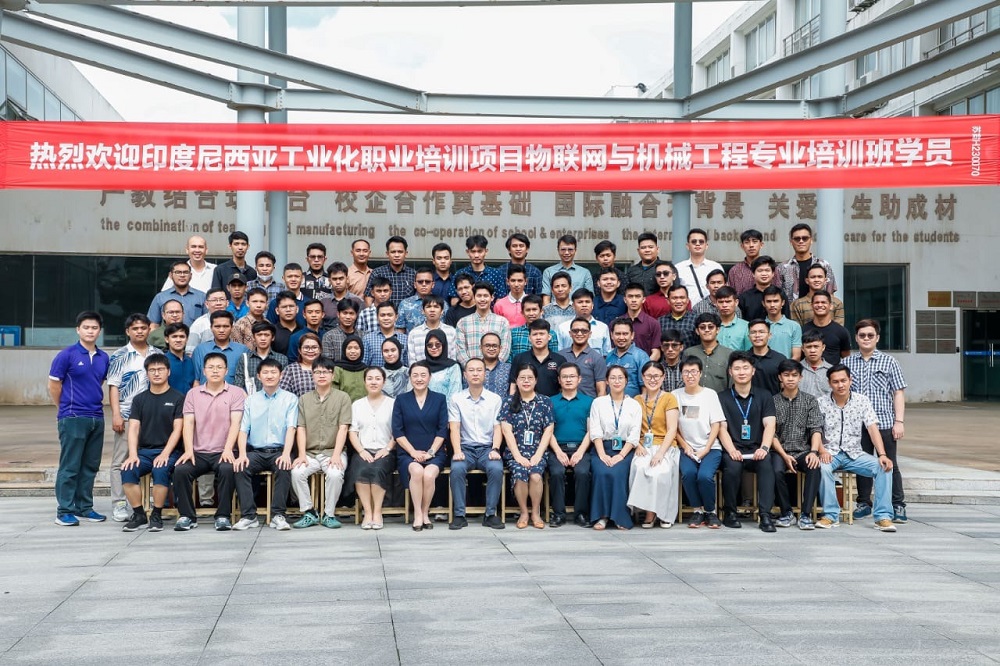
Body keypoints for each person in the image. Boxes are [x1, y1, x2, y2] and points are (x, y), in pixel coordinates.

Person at [816, 365, 897, 532]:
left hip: (854, 454)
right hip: (830, 453)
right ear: (829, 383)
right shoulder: (821, 403)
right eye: (835, 382)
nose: (840, 385)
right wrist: (822, 450)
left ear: (850, 380)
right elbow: (815, 430)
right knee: (822, 468)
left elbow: (872, 428)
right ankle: (830, 515)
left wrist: (882, 454)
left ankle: (883, 517)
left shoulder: (862, 401)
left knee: (883, 467)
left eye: (843, 380)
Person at [49, 311, 111, 526]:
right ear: (78, 330)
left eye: (94, 328)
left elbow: (97, 383)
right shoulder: (66, 355)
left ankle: (84, 507)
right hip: (73, 417)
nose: (90, 331)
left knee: (90, 466)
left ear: (99, 331)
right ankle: (64, 510)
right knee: (70, 466)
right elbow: (54, 385)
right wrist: (64, 408)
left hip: (97, 417)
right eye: (86, 327)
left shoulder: (104, 358)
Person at [844, 319, 908, 524]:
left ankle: (897, 504)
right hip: (858, 425)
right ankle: (864, 503)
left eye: (870, 335)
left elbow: (898, 392)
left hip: (884, 422)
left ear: (877, 338)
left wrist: (899, 421)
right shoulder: (847, 363)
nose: (866, 339)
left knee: (890, 463)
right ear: (856, 338)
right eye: (862, 335)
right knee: (862, 464)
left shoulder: (890, 362)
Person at [172, 352, 244, 531]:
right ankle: (187, 516)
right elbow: (188, 423)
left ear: (226, 370)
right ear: (204, 371)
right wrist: (188, 450)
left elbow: (236, 423)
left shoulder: (236, 393)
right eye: (211, 367)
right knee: (181, 470)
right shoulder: (193, 394)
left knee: (228, 469)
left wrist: (228, 449)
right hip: (199, 452)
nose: (215, 371)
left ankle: (223, 516)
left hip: (223, 451)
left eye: (219, 367)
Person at [119, 354, 184, 532]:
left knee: (160, 469)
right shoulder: (139, 399)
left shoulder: (178, 398)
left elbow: (178, 429)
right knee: (128, 469)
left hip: (169, 452)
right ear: (147, 373)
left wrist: (165, 454)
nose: (156, 373)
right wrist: (133, 455)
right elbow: (133, 428)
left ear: (168, 372)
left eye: (160, 369)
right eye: (152, 370)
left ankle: (156, 514)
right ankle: (139, 514)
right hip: (144, 452)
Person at [232, 357, 298, 531]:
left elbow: (291, 428)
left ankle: (278, 515)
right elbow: (243, 430)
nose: (269, 376)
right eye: (265, 372)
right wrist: (242, 454)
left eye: (273, 372)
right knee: (240, 467)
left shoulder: (290, 399)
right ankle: (249, 516)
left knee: (284, 466)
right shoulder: (251, 400)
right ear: (259, 376)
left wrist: (286, 454)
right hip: (256, 452)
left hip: (279, 451)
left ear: (281, 375)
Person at [107, 313, 161, 522]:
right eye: (135, 328)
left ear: (149, 330)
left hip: (152, 417)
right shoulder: (120, 355)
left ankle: (144, 501)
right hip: (128, 415)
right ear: (127, 331)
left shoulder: (157, 353)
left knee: (147, 458)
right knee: (121, 460)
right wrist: (116, 414)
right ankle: (119, 503)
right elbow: (114, 386)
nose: (139, 331)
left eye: (143, 328)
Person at [717, 351, 778, 532]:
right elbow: (721, 427)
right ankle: (730, 513)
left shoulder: (764, 395)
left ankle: (765, 515)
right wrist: (731, 450)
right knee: (732, 467)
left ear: (753, 371)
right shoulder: (722, 397)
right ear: (730, 372)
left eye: (745, 368)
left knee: (767, 464)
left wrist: (764, 448)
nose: (741, 372)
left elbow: (770, 424)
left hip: (757, 449)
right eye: (737, 368)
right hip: (733, 449)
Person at [289, 357, 352, 529]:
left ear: (333, 375)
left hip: (333, 451)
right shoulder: (304, 399)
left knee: (335, 474)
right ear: (312, 375)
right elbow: (301, 428)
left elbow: (343, 428)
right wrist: (301, 454)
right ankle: (309, 511)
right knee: (296, 472)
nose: (321, 375)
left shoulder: (343, 398)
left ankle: (328, 514)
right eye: (317, 372)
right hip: (310, 452)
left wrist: (337, 455)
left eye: (325, 372)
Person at [447, 358, 505, 530]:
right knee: (457, 469)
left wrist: (495, 449)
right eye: (471, 370)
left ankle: (490, 514)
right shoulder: (456, 399)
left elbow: (498, 427)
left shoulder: (495, 399)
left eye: (479, 370)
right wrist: (457, 451)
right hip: (465, 448)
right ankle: (459, 515)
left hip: (487, 448)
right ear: (465, 375)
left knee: (496, 468)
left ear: (485, 374)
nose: (475, 374)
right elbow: (454, 427)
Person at [392, 362, 450, 531]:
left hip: (434, 451)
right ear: (410, 378)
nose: (419, 379)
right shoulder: (401, 400)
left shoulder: (440, 399)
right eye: (415, 375)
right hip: (408, 452)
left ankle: (425, 512)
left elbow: (442, 429)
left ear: (430, 377)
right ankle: (417, 513)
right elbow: (397, 430)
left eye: (423, 375)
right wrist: (412, 452)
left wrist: (431, 452)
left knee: (429, 474)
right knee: (417, 471)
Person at [770, 359, 826, 531]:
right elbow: (771, 433)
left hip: (803, 450)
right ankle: (786, 512)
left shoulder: (810, 400)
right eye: (786, 375)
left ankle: (806, 514)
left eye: (794, 375)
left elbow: (816, 428)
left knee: (814, 466)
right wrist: (784, 455)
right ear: (780, 377)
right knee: (776, 470)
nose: (790, 379)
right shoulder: (772, 401)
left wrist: (814, 452)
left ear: (801, 377)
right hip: (779, 451)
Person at [672, 356, 725, 529]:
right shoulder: (675, 395)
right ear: (681, 374)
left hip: (710, 447)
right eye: (686, 372)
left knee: (704, 476)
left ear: (700, 373)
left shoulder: (710, 394)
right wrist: (685, 446)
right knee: (688, 474)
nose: (690, 375)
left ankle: (710, 511)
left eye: (694, 371)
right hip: (686, 448)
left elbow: (716, 424)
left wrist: (706, 448)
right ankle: (697, 510)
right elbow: (673, 427)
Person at [500, 364, 555, 529]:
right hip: (515, 452)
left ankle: (536, 512)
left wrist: (538, 455)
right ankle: (524, 512)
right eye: (522, 378)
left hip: (538, 451)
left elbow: (548, 430)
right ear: (516, 381)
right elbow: (506, 430)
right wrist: (518, 456)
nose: (526, 381)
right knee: (520, 473)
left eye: (530, 378)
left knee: (536, 475)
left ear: (536, 380)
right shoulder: (508, 401)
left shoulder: (545, 401)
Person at [627, 361, 681, 529]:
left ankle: (662, 513)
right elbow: (632, 427)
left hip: (665, 445)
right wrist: (637, 445)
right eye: (649, 376)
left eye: (656, 376)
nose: (652, 379)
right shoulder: (636, 400)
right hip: (643, 445)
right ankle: (647, 511)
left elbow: (672, 429)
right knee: (640, 468)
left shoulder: (669, 398)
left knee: (660, 472)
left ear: (663, 377)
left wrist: (660, 453)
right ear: (642, 377)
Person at [588, 365, 642, 530]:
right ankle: (602, 516)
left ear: (626, 381)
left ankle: (620, 517)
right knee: (602, 471)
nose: (616, 381)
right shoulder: (598, 403)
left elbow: (634, 435)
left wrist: (621, 456)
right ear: (607, 381)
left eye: (620, 378)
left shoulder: (634, 405)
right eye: (612, 378)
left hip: (625, 449)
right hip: (602, 448)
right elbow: (595, 431)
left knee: (618, 473)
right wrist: (602, 454)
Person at [347, 367, 396, 529]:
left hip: (386, 450)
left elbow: (398, 432)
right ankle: (367, 512)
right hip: (363, 450)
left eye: (377, 378)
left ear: (384, 382)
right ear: (364, 381)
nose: (373, 382)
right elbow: (352, 431)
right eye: (369, 378)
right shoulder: (357, 405)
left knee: (377, 469)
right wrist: (361, 450)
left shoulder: (392, 404)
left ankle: (377, 512)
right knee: (360, 469)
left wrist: (387, 449)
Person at [547, 362, 595, 528]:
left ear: (579, 379)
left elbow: (591, 431)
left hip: (581, 447)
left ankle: (580, 513)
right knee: (556, 473)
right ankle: (558, 514)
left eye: (572, 376)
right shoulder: (550, 402)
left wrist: (580, 452)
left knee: (583, 473)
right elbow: (548, 431)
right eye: (565, 377)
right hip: (557, 448)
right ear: (559, 380)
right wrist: (558, 452)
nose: (568, 380)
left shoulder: (589, 402)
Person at [778, 223, 838, 303]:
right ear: (791, 242)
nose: (801, 241)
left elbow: (830, 293)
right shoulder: (782, 268)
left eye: (805, 238)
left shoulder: (824, 265)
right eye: (797, 239)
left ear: (811, 240)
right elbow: (777, 295)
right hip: (791, 310)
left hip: (819, 309)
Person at [455, 282, 511, 365]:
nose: (482, 299)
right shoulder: (463, 323)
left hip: (495, 370)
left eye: (485, 296)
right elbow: (460, 351)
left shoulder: (502, 322)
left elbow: (505, 349)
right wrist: (474, 368)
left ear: (492, 297)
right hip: (471, 370)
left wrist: (493, 367)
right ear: (474, 297)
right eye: (479, 296)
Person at [509, 319, 566, 396]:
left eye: (542, 334)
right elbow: (513, 385)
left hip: (553, 402)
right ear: (529, 338)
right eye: (535, 334)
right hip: (524, 402)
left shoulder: (560, 360)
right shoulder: (519, 358)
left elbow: (564, 387)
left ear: (549, 337)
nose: (538, 337)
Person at [233, 321, 288, 395]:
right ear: (253, 337)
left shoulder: (282, 359)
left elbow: (284, 385)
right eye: (259, 335)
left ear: (273, 338)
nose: (263, 338)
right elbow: (238, 384)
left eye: (266, 335)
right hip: (251, 400)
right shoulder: (245, 358)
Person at [192, 311, 247, 385]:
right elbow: (196, 380)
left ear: (232, 328)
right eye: (217, 326)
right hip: (206, 392)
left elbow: (248, 379)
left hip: (234, 392)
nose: (221, 330)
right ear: (211, 328)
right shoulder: (200, 350)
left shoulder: (242, 350)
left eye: (226, 326)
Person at [558, 317, 608, 398]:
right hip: (564, 403)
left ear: (590, 334)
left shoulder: (597, 358)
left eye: (584, 331)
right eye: (575, 331)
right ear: (570, 333)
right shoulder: (560, 356)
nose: (579, 334)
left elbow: (601, 390)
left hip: (589, 403)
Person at [148, 260, 206, 328]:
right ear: (170, 275)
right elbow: (153, 324)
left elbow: (208, 322)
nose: (182, 275)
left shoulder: (202, 297)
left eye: (186, 272)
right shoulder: (160, 297)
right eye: (178, 272)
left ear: (190, 275)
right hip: (167, 334)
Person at [675, 228, 724, 307]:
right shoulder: (678, 268)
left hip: (712, 310)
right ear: (687, 246)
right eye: (694, 241)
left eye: (701, 241)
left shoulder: (715, 267)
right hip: (687, 311)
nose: (697, 244)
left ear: (706, 246)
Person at [685, 313, 733, 392]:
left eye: (710, 327)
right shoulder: (689, 353)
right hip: (693, 398)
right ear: (697, 331)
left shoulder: (729, 354)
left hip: (719, 398)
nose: (707, 330)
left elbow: (732, 384)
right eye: (702, 327)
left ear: (717, 330)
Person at [555, 288, 612, 354]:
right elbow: (559, 353)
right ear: (573, 306)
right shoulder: (563, 328)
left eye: (587, 302)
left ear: (592, 305)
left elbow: (606, 353)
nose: (584, 305)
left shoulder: (602, 327)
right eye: (580, 302)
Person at [802, 291, 852, 365]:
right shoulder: (803, 330)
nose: (820, 305)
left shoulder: (841, 331)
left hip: (833, 371)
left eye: (823, 302)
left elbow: (846, 359)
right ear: (811, 306)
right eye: (816, 302)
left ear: (831, 306)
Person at [727, 229, 782, 296]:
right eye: (747, 242)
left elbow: (778, 291)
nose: (751, 245)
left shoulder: (771, 268)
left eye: (755, 241)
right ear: (742, 246)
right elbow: (730, 295)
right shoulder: (735, 271)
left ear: (761, 244)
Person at [365, 235, 416, 306]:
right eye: (393, 252)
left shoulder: (413, 274)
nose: (396, 255)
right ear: (387, 254)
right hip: (383, 313)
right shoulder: (377, 273)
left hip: (406, 313)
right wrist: (373, 312)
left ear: (406, 253)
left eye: (400, 252)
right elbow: (368, 297)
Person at [605, 318, 650, 397]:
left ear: (632, 335)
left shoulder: (641, 356)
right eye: (618, 334)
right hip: (610, 403)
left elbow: (646, 387)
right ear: (612, 335)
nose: (621, 337)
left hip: (633, 403)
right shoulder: (608, 356)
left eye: (625, 334)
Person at [542, 234, 594, 302]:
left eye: (570, 249)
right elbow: (546, 297)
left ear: (575, 250)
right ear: (558, 250)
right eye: (563, 249)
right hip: (554, 309)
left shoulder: (585, 273)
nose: (566, 253)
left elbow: (589, 298)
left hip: (577, 309)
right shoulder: (548, 272)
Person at [406, 295, 457, 364]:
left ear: (442, 311)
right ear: (423, 311)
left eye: (436, 307)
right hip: (421, 370)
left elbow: (453, 359)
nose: (432, 310)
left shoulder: (451, 332)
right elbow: (412, 361)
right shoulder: (414, 333)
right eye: (428, 306)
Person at [738, 256, 788, 321]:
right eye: (760, 271)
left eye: (767, 270)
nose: (764, 274)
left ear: (773, 274)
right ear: (753, 274)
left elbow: (786, 319)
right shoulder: (744, 297)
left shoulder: (781, 294)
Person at [319, 261, 365, 328]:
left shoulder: (357, 301)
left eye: (341, 278)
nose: (338, 282)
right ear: (329, 281)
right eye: (334, 279)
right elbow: (319, 327)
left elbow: (361, 326)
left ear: (347, 279)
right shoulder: (323, 302)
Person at [748, 319, 787, 397]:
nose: (757, 335)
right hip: (748, 402)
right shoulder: (744, 359)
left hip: (774, 402)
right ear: (749, 337)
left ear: (769, 335)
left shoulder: (780, 359)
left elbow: (785, 386)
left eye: (761, 332)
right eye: (753, 332)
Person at [762, 286, 802, 361]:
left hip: (787, 367)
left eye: (776, 301)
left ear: (782, 302)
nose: (772, 305)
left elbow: (796, 356)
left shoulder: (794, 326)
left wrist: (785, 367)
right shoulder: (759, 327)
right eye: (769, 301)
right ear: (763, 303)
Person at [396, 266, 441, 333]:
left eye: (427, 282)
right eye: (420, 282)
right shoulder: (405, 304)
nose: (424, 284)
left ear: (433, 284)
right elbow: (400, 330)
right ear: (415, 285)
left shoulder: (441, 304)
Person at [211, 230, 256, 296]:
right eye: (236, 244)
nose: (240, 248)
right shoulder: (220, 270)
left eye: (243, 244)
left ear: (248, 246)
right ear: (230, 246)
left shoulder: (252, 272)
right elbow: (215, 295)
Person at [320, 299, 366, 364]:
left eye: (351, 313)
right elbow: (327, 362)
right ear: (338, 314)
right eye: (345, 313)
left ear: (356, 315)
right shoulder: (329, 336)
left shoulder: (363, 336)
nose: (348, 317)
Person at [363, 302, 407, 367]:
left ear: (396, 317)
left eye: (390, 315)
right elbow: (364, 365)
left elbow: (407, 365)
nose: (386, 318)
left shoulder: (405, 339)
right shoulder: (367, 339)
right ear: (377, 317)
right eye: (382, 315)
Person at [623, 282, 661, 356]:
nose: (634, 300)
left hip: (646, 362)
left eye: (637, 296)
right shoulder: (616, 323)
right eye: (630, 296)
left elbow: (656, 352)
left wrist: (645, 363)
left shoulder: (653, 323)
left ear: (643, 299)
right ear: (625, 299)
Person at [500, 233, 544, 297]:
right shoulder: (500, 271)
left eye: (521, 246)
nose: (518, 249)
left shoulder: (535, 272)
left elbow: (539, 297)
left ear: (527, 249)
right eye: (514, 246)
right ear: (509, 249)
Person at [279, 333, 321, 397]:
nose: (310, 351)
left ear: (320, 350)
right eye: (306, 347)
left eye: (314, 347)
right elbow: (282, 395)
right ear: (299, 350)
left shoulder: (327, 368)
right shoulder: (291, 369)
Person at [287, 299, 329, 363]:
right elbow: (292, 361)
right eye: (310, 312)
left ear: (323, 314)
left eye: (317, 312)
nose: (314, 315)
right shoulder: (295, 337)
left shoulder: (326, 335)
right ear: (304, 315)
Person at [423, 329, 462, 398]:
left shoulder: (453, 367)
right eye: (430, 345)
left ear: (443, 345)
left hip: (446, 404)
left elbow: (455, 394)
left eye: (437, 345)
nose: (434, 348)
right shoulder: (420, 366)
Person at [657, 284, 698, 349]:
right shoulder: (660, 322)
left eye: (682, 298)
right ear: (668, 301)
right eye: (674, 298)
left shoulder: (696, 320)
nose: (678, 301)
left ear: (687, 300)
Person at [332, 335, 368, 402]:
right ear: (344, 350)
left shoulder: (366, 370)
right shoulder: (338, 369)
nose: (353, 351)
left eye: (356, 348)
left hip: (363, 407)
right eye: (349, 348)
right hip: (344, 406)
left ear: (361, 350)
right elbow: (334, 394)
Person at [714, 286, 750, 352]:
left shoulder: (746, 326)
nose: (724, 305)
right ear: (716, 303)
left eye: (728, 301)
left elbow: (749, 352)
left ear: (736, 302)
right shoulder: (710, 326)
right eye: (721, 302)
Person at [163, 323, 195, 394]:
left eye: (182, 337)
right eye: (174, 336)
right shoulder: (162, 361)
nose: (178, 340)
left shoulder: (191, 361)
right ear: (167, 339)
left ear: (187, 339)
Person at [798, 330, 833, 398]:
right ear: (802, 348)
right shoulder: (796, 370)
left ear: (823, 347)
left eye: (816, 346)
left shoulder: (831, 370)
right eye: (809, 347)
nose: (812, 350)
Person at [493, 264, 528, 328]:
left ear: (526, 281)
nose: (516, 284)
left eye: (520, 280)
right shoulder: (499, 305)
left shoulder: (532, 303)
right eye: (513, 280)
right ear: (507, 281)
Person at [271, 291, 304, 357]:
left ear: (297, 309)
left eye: (291, 306)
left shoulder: (304, 331)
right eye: (284, 307)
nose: (288, 310)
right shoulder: (272, 332)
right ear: (277, 311)